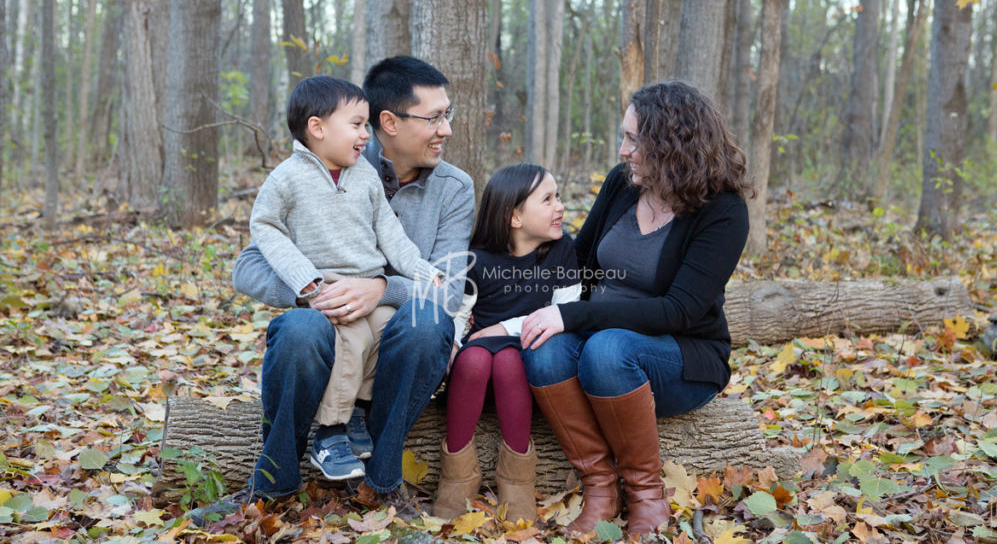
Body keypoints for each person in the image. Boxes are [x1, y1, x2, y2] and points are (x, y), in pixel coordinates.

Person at [191, 56, 473, 525]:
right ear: (389, 122)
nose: (446, 129)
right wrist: (317, 293)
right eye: (435, 117)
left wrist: (379, 288)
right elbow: (248, 266)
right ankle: (271, 484)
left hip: (395, 342)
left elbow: (447, 288)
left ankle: (384, 484)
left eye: (449, 114)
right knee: (300, 328)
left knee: (430, 323)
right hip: (323, 325)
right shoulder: (318, 169)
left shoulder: (454, 188)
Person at [518, 81, 751, 537]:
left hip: (680, 358)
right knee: (542, 350)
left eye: (634, 140)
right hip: (597, 343)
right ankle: (600, 488)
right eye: (624, 137)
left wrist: (573, 318)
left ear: (672, 145)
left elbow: (679, 311)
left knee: (608, 350)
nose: (623, 150)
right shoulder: (623, 185)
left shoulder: (723, 210)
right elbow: (580, 264)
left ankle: (647, 496)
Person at [248, 75, 442, 482]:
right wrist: (304, 281)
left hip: (372, 284)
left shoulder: (365, 177)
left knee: (391, 331)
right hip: (328, 284)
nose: (365, 136)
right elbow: (264, 227)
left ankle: (356, 414)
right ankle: (330, 433)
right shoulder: (288, 178)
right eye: (355, 124)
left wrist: (418, 269)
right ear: (317, 128)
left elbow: (389, 231)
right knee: (348, 334)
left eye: (367, 125)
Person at [433, 164, 580, 524]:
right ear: (514, 216)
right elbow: (456, 312)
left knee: (508, 361)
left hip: (523, 372)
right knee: (476, 359)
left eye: (558, 196)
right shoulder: (479, 259)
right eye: (547, 199)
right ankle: (457, 477)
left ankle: (516, 481)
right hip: (475, 379)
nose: (560, 206)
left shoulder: (562, 252)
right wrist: (451, 344)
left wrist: (502, 328)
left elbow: (568, 312)